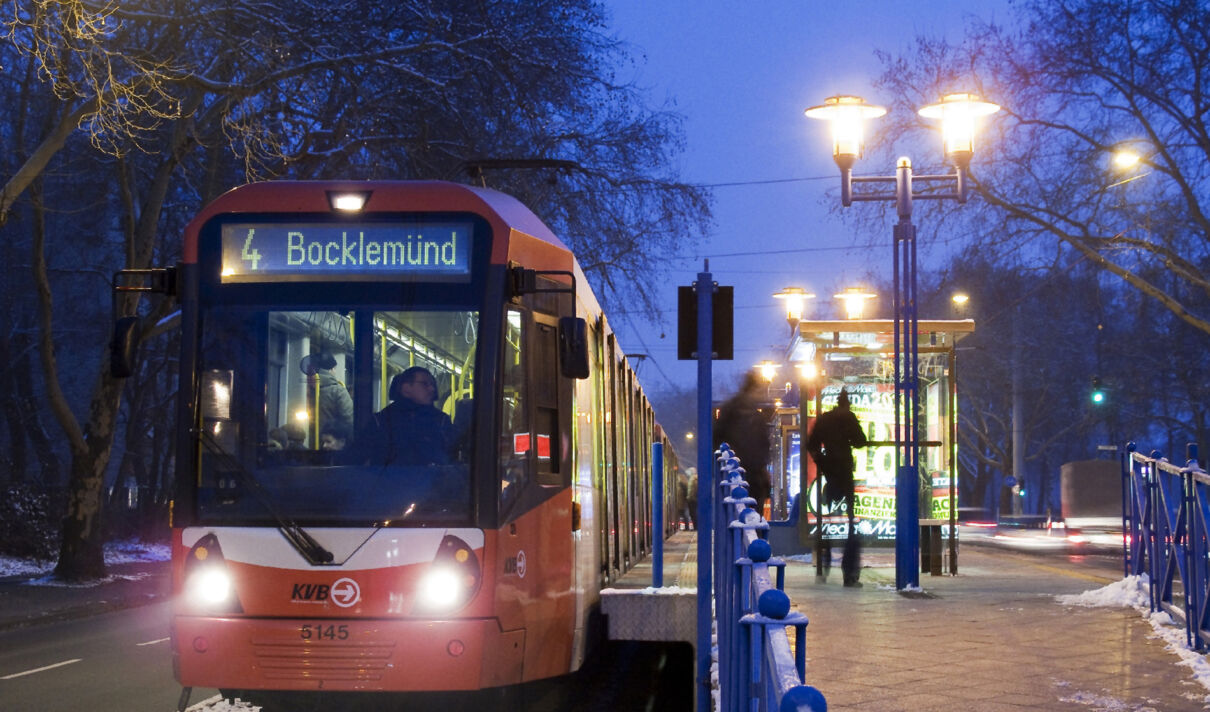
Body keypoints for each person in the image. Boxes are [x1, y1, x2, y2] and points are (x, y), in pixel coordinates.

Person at [806, 387, 868, 587]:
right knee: (851, 523)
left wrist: (822, 460)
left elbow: (811, 444)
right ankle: (849, 574)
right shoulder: (848, 417)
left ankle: (823, 562)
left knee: (825, 519)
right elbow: (861, 441)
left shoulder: (824, 419)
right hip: (844, 472)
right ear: (847, 403)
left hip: (829, 472)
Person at [359, 366, 455, 466]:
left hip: (431, 481)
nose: (432, 389)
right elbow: (358, 456)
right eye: (424, 384)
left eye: (432, 384)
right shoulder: (381, 422)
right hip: (390, 480)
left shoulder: (441, 421)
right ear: (406, 388)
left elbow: (453, 458)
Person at [713, 371, 773, 513]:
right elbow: (763, 445)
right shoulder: (751, 414)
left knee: (740, 516)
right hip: (746, 474)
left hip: (738, 474)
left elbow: (716, 438)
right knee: (751, 516)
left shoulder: (732, 409)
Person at [302, 353, 354, 440]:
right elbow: (349, 419)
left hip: (310, 440)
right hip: (332, 441)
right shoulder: (338, 390)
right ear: (331, 369)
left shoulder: (306, 388)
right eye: (335, 369)